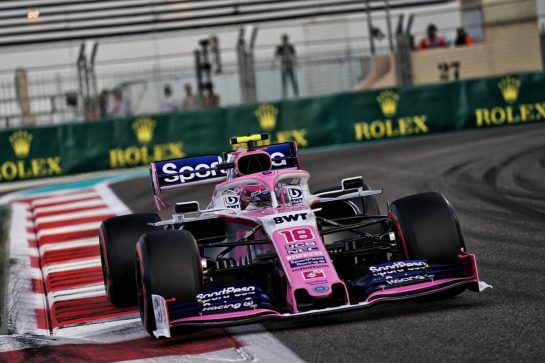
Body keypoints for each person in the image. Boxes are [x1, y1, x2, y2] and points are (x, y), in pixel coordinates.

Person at [274, 34, 299, 98]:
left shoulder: (290, 46)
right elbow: (276, 56)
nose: (285, 40)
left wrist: (295, 62)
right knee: (284, 80)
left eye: (285, 39)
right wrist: (276, 63)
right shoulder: (280, 47)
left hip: (290, 63)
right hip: (284, 64)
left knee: (292, 79)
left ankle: (296, 94)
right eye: (284, 39)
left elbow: (294, 55)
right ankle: (284, 95)